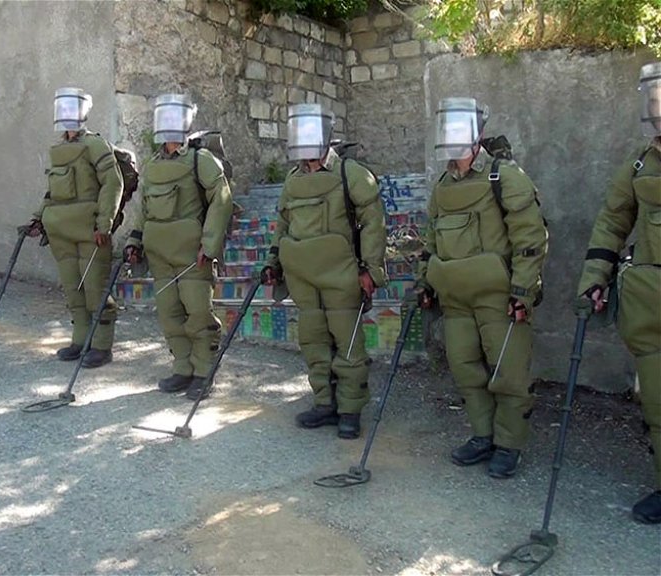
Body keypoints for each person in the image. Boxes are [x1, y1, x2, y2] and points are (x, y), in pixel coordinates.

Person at [417, 97, 548, 478]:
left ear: (478, 133)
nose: (453, 136)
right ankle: (483, 435)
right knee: (465, 369)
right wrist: (425, 281)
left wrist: (523, 291)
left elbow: (530, 238)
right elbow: (431, 240)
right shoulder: (443, 185)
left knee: (508, 372)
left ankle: (509, 444)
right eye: (448, 128)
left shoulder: (503, 176)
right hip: (455, 299)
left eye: (460, 128)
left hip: (499, 298)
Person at [262, 103, 387, 439]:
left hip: (341, 275)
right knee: (313, 341)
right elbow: (283, 224)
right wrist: (273, 261)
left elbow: (373, 223)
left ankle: (350, 409)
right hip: (303, 278)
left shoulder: (350, 173)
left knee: (348, 343)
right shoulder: (293, 180)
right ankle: (324, 403)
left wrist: (371, 270)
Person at [577, 61, 661, 524]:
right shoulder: (639, 164)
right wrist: (596, 277)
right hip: (649, 299)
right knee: (657, 400)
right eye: (654, 100)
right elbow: (612, 221)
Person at [123, 94, 233, 400]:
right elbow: (144, 210)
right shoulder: (152, 165)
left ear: (185, 121)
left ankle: (204, 372)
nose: (169, 123)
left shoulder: (200, 160)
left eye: (175, 117)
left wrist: (209, 245)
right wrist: (134, 241)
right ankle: (183, 367)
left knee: (198, 314)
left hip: (192, 256)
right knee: (169, 314)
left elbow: (222, 201)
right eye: (164, 116)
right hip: (160, 255)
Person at [23, 87, 123, 369]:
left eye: (71, 108)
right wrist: (38, 218)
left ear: (82, 112)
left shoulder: (95, 145)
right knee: (73, 289)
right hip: (61, 233)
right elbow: (53, 191)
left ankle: (101, 345)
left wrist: (105, 223)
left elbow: (113, 183)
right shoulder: (58, 150)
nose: (66, 114)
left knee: (95, 289)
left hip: (91, 231)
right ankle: (81, 340)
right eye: (62, 108)